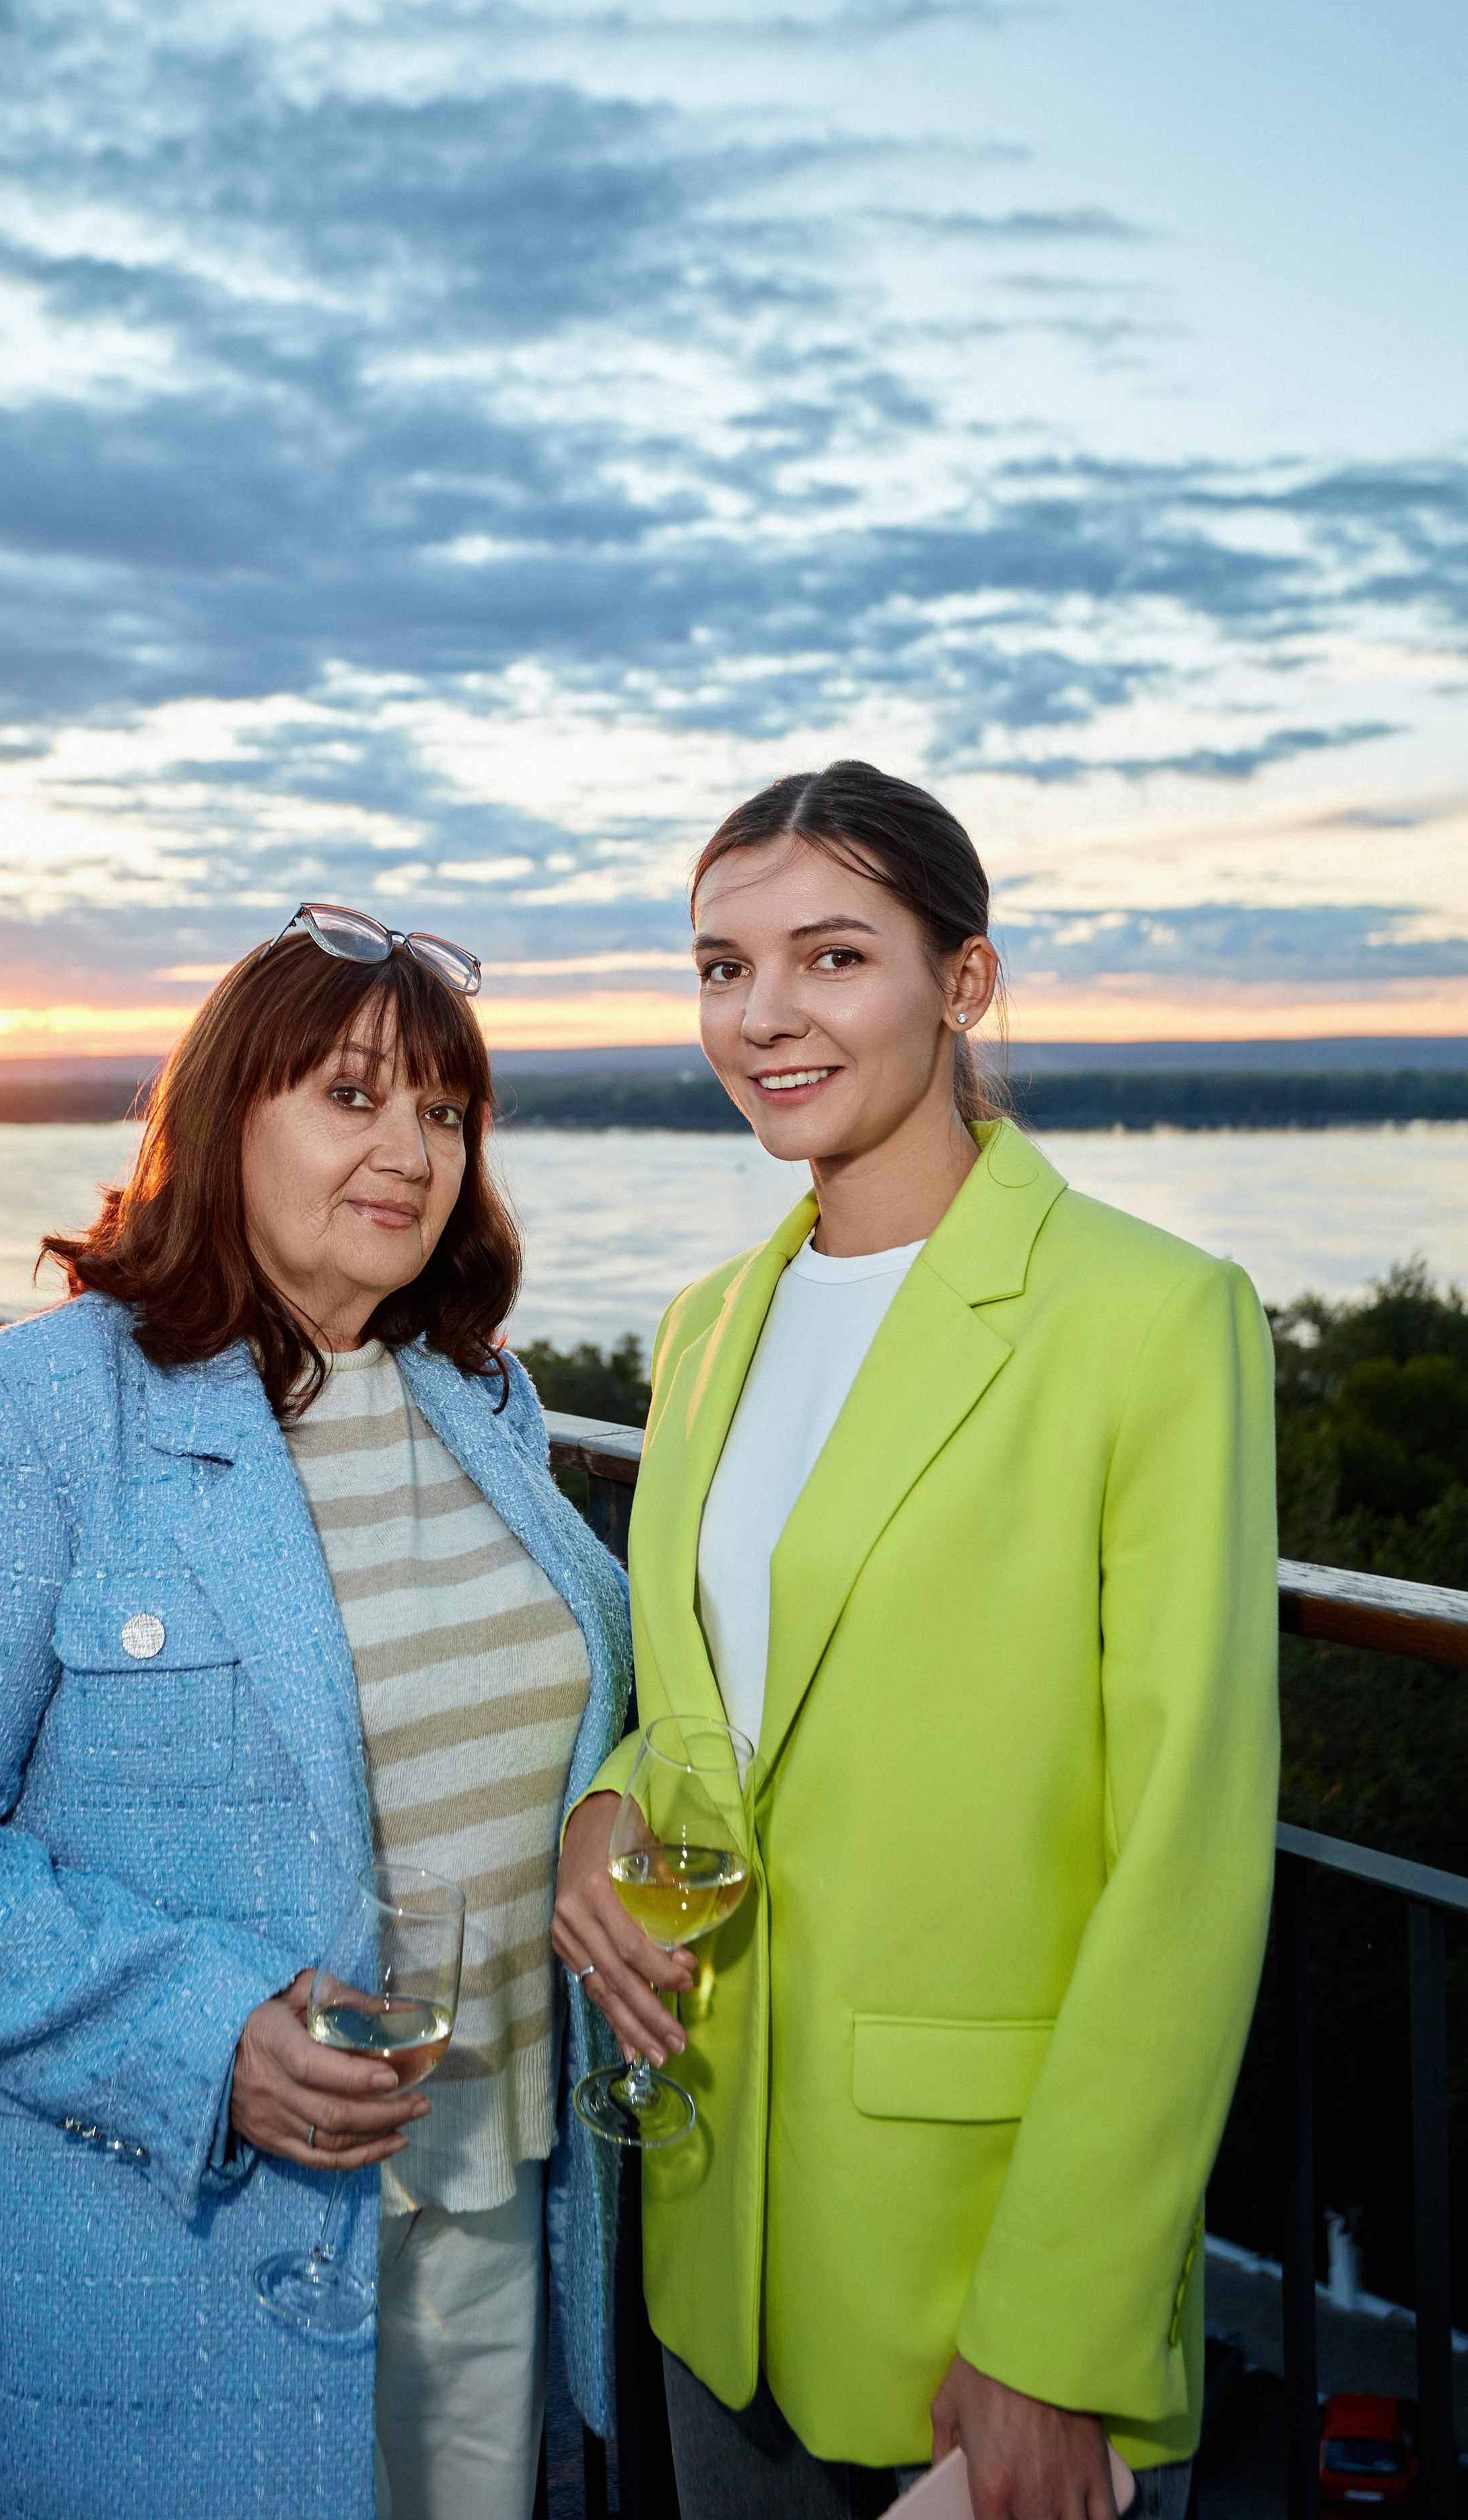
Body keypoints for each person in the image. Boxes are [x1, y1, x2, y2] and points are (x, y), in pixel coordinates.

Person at [0, 907, 632, 2520]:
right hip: (173, 2241)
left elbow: (583, 1719)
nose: (409, 1149)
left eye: (444, 1114)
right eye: (349, 1095)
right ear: (222, 1117)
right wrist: (208, 2039)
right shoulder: (32, 1412)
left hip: (484, 2210)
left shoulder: (486, 1399)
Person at [554, 761, 1279, 2520]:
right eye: (722, 968)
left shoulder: (1154, 1321)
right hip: (717, 2250)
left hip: (989, 2283)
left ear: (963, 983)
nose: (766, 1017)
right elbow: (723, 1692)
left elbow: (1184, 1856)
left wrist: (1062, 2324)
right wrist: (608, 1805)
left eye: (831, 957)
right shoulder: (705, 1326)